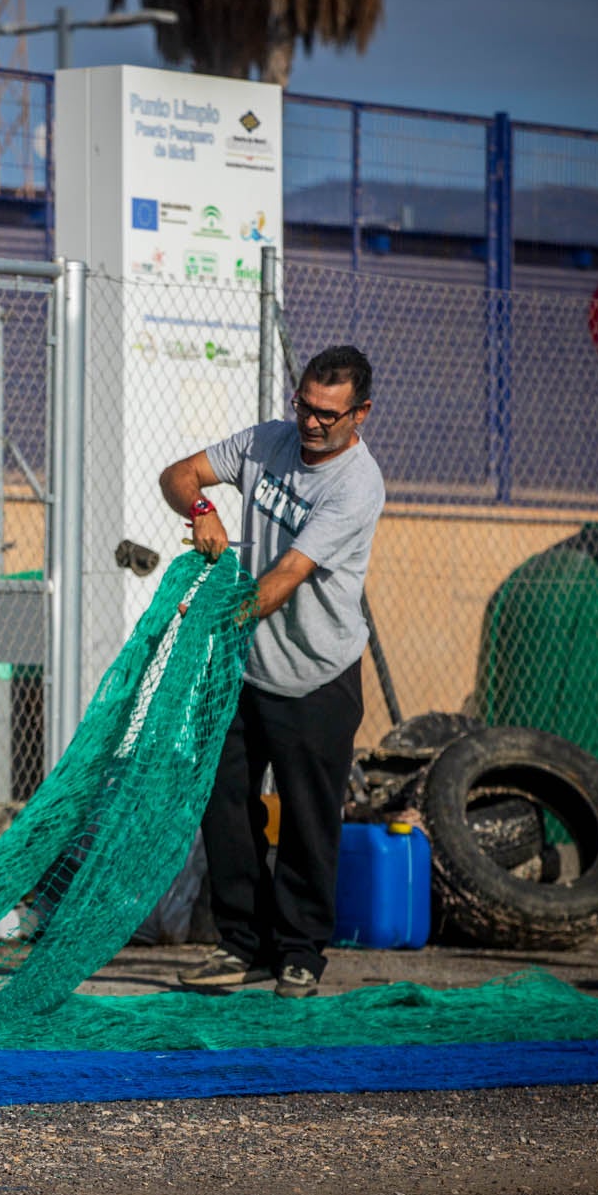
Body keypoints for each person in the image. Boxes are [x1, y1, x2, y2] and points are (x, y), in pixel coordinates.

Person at [156, 345, 385, 999]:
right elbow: (179, 475)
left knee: (310, 820)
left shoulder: (356, 485)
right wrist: (202, 510)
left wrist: (214, 619)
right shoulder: (264, 442)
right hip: (244, 670)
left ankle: (300, 952)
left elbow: (284, 576)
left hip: (317, 675)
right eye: (305, 407)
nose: (311, 424)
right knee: (222, 802)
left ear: (360, 413)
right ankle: (241, 944)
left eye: (328, 415)